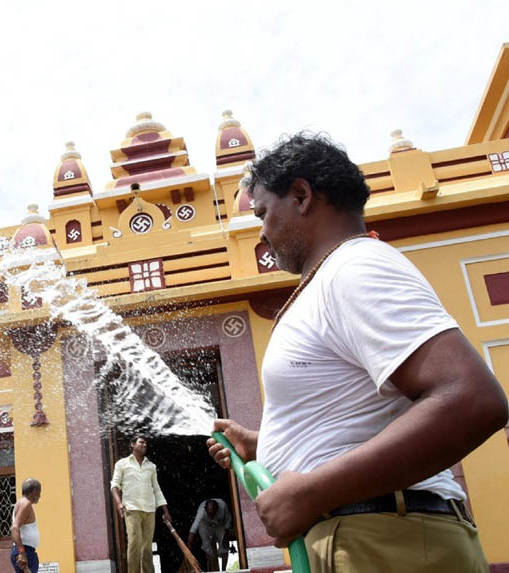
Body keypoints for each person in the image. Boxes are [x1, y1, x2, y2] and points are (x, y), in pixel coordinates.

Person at [206, 132, 508, 572]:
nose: (262, 232)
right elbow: (356, 420)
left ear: (301, 195)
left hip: (383, 541)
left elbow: (473, 399)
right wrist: (264, 445)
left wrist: (311, 492)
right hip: (367, 536)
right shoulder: (335, 276)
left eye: (264, 213)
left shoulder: (355, 268)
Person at [110, 436, 172, 573]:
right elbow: (114, 485)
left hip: (150, 510)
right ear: (132, 444)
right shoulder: (122, 464)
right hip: (132, 509)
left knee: (147, 547)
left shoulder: (151, 466)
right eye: (141, 442)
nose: (145, 444)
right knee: (134, 545)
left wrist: (165, 511)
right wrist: (119, 503)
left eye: (146, 443)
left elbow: (156, 489)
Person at [187, 498, 231, 572]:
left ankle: (224, 570)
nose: (211, 516)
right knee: (206, 545)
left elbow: (228, 521)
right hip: (204, 524)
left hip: (219, 523)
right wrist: (189, 544)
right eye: (209, 514)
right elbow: (194, 528)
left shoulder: (223, 506)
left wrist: (224, 538)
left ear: (217, 509)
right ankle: (214, 570)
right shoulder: (201, 511)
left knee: (224, 544)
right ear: (205, 509)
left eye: (213, 514)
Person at [10, 478, 41, 573]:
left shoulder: (21, 503)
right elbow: (14, 528)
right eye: (39, 492)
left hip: (26, 551)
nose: (40, 496)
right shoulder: (26, 504)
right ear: (34, 491)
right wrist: (22, 553)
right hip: (25, 552)